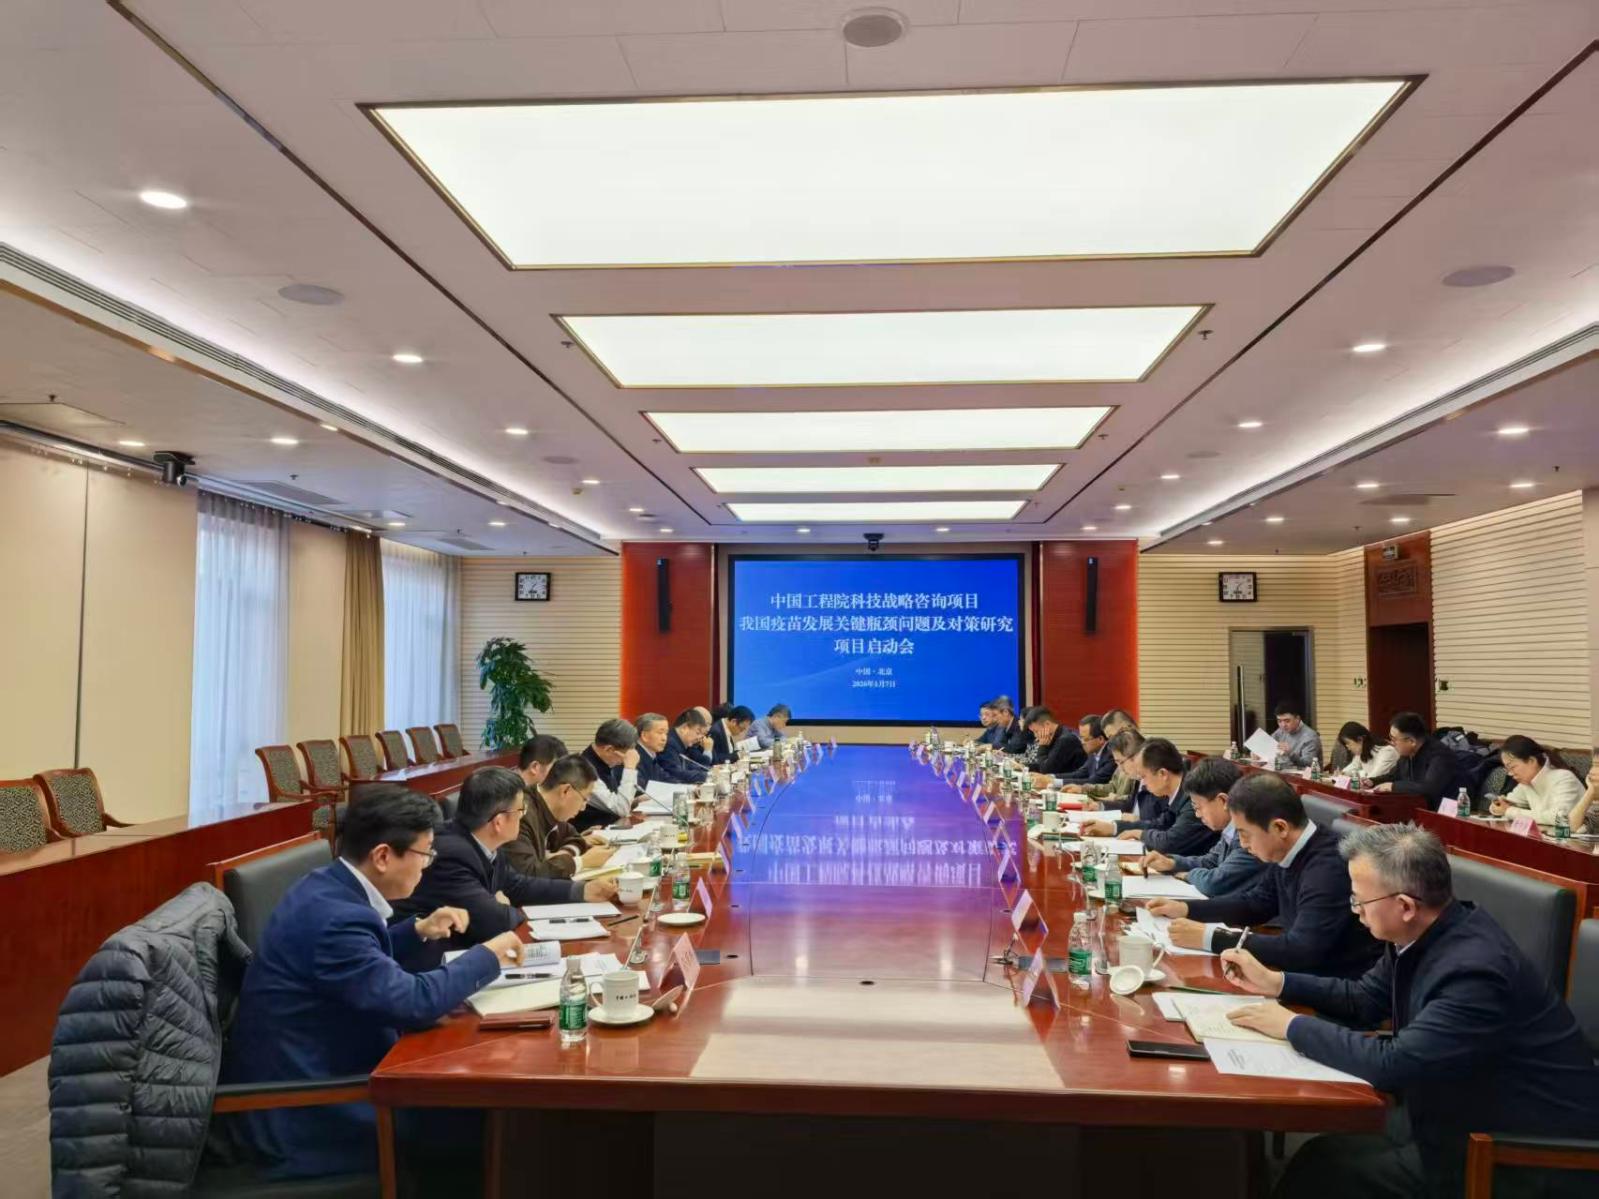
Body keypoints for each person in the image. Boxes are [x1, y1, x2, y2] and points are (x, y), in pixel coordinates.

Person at [1223, 823, 1599, 1199]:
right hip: (1454, 1110)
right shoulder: (1424, 931)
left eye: (1358, 900)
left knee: (1329, 1173)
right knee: (1320, 1160)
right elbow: (1364, 998)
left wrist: (1292, 1026)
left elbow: (1393, 1064)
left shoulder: (1474, 971)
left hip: (1518, 1155)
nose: (1355, 911)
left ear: (1404, 906)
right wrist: (1278, 983)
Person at [224, 785, 526, 1178]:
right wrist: (488, 955)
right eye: (425, 854)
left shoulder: (325, 884)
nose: (428, 865)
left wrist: (415, 930)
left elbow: (356, 964)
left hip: (327, 1069)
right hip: (312, 1111)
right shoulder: (337, 920)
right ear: (383, 856)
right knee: (498, 1120)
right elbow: (414, 1004)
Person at [1147, 773, 1379, 977]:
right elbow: (1257, 903)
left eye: (1245, 834)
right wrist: (1185, 908)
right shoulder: (1290, 848)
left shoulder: (1328, 868)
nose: (1243, 844)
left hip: (1332, 988)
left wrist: (1212, 938)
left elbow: (1302, 950)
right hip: (1299, 975)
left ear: (1280, 828)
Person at [391, 767, 615, 969]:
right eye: (520, 811)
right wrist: (501, 906)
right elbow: (493, 921)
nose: (523, 816)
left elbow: (517, 885)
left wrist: (581, 890)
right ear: (498, 822)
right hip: (428, 969)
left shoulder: (480, 840)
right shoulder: (451, 854)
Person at [1137, 756, 1265, 898]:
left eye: (1198, 807)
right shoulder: (1229, 829)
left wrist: (1188, 875)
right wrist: (1171, 863)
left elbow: (1214, 883)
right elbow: (1211, 861)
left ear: (1223, 801)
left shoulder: (1249, 836)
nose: (1197, 815)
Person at [503, 734, 607, 879]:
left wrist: (563, 855)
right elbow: (528, 875)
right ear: (565, 791)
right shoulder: (521, 812)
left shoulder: (551, 808)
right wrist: (581, 862)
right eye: (584, 799)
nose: (583, 807)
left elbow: (576, 839)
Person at [1111, 738, 1216, 856]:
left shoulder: (1193, 795)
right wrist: (1115, 827)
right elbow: (1160, 825)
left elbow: (1171, 843)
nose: (1143, 783)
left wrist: (1140, 834)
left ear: (1163, 774)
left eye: (1144, 776)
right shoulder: (1174, 792)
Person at [1489, 735, 1584, 829]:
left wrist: (1510, 811)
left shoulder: (1564, 778)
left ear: (1532, 761)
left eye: (1513, 767)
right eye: (1507, 769)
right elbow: (1507, 804)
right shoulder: (1527, 782)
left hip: (1571, 836)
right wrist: (1498, 806)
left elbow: (1559, 817)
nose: (1510, 773)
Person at [1369, 712, 1461, 808]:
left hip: (1444, 810)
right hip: (1417, 806)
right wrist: (1372, 781)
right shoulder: (1407, 753)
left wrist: (1393, 787)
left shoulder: (1440, 756)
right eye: (1390, 737)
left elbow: (1428, 789)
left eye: (1395, 739)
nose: (1392, 743)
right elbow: (1394, 776)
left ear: (1412, 741)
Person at [577, 718, 642, 830]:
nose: (623, 761)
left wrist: (636, 801)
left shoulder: (605, 763)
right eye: (624, 756)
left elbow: (616, 800)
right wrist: (630, 768)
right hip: (591, 834)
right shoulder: (584, 770)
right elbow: (621, 809)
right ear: (608, 749)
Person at [1062, 715, 1140, 804]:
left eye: (1111, 737)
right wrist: (1084, 789)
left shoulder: (1138, 758)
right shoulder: (1121, 755)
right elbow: (1113, 786)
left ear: (1128, 728)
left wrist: (1111, 800)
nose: (1109, 742)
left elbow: (1134, 800)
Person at [1042, 715, 1115, 788]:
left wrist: (1053, 782)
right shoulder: (1093, 751)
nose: (1082, 742)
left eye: (1086, 739)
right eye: (1081, 738)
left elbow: (1094, 781)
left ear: (1100, 739)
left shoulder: (1112, 755)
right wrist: (1050, 776)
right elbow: (1081, 773)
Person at [636, 711, 703, 787]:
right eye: (660, 733)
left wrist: (689, 788)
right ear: (644, 736)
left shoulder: (651, 755)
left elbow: (666, 779)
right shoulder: (635, 757)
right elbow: (641, 791)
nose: (664, 738)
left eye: (666, 733)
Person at [1022, 707, 1086, 778]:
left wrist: (1043, 746)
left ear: (1047, 724)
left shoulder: (1065, 740)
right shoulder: (1055, 735)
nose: (1035, 735)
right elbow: (1045, 763)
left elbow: (1046, 770)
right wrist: (1024, 766)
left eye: (1036, 731)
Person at [662, 708, 711, 782]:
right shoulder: (669, 743)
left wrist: (710, 771)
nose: (699, 738)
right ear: (684, 728)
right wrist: (708, 776)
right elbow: (676, 773)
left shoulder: (682, 743)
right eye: (697, 733)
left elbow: (689, 766)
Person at [1272, 701, 1323, 769]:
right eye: (1279, 721)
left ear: (1297, 719)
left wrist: (1290, 753)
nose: (1283, 725)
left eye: (1287, 721)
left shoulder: (1310, 737)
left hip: (1304, 774)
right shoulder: (1280, 731)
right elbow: (1269, 745)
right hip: (1283, 771)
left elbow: (1308, 764)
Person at [1569, 760, 1599, 835]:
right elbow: (1572, 828)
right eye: (1593, 765)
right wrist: (1590, 791)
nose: (1591, 772)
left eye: (1597, 765)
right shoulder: (1595, 807)